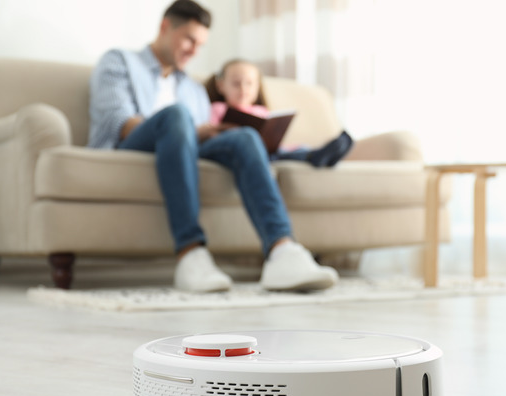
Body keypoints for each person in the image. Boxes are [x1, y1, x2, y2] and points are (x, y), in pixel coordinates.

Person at [87, 0, 338, 293]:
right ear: (165, 27)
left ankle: (283, 251)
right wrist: (187, 128)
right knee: (176, 115)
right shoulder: (119, 61)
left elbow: (193, 137)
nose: (194, 51)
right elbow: (119, 123)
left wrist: (210, 133)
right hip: (132, 145)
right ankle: (191, 253)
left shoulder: (193, 89)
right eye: (189, 40)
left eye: (201, 45)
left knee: (244, 137)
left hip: (183, 148)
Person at [205, 59, 354, 167]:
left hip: (271, 150)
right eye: (236, 84)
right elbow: (211, 134)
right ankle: (315, 157)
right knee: (279, 156)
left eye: (249, 83)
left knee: (294, 148)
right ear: (221, 86)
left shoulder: (261, 111)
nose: (243, 89)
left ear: (257, 86)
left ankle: (323, 151)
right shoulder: (218, 109)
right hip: (246, 153)